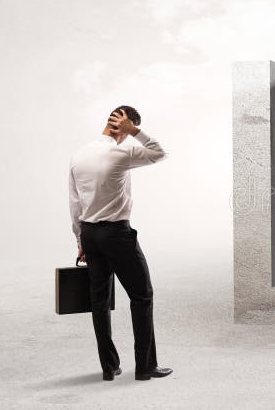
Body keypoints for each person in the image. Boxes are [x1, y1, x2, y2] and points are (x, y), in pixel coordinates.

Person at [68, 106, 172, 381]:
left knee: (99, 301)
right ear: (125, 129)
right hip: (116, 234)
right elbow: (161, 153)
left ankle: (109, 368)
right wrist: (135, 131)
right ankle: (145, 367)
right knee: (142, 296)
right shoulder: (123, 151)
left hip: (90, 234)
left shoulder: (79, 154)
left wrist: (80, 238)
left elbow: (74, 202)